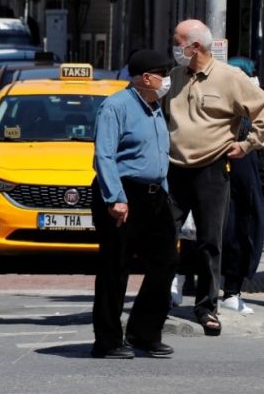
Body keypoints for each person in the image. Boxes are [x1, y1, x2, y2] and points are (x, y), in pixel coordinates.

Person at [163, 19, 264, 336]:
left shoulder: (230, 78)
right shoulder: (174, 77)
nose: (174, 48)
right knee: (162, 237)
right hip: (174, 170)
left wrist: (248, 144)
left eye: (178, 42)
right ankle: (158, 301)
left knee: (210, 243)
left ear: (195, 47)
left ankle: (207, 308)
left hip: (211, 171)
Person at [91, 49, 177, 359]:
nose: (166, 79)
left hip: (155, 196)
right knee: (116, 267)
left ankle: (144, 332)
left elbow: (158, 156)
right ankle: (108, 340)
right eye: (161, 73)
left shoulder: (156, 108)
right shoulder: (116, 106)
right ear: (145, 77)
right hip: (122, 195)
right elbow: (104, 155)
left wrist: (165, 190)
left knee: (166, 262)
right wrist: (115, 198)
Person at [219, 58, 264, 315]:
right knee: (223, 236)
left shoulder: (253, 114)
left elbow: (262, 153)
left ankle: (232, 291)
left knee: (241, 237)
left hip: (244, 185)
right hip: (226, 183)